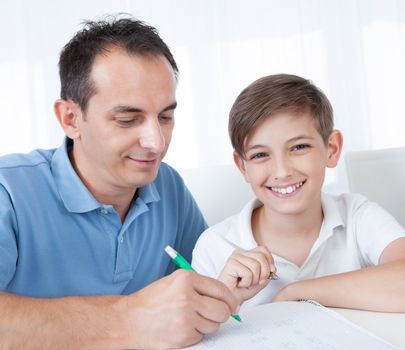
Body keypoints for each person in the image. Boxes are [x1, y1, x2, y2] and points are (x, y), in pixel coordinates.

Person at [0, 16, 238, 349]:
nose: (156, 142)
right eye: (128, 119)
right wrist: (129, 318)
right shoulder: (8, 191)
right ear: (70, 118)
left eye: (166, 117)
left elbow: (199, 287)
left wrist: (227, 288)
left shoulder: (167, 185)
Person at [192, 73, 405, 311]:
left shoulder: (357, 216)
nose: (282, 172)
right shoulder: (213, 246)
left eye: (299, 147)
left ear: (331, 149)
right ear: (243, 166)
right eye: (260, 155)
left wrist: (297, 292)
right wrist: (225, 302)